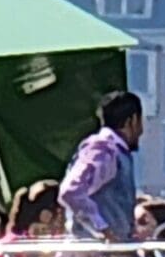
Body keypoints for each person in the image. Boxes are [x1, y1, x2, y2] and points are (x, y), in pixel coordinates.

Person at [60, 91, 143, 242]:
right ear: (132, 120)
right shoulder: (105, 149)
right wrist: (103, 230)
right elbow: (71, 191)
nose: (141, 131)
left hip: (108, 255)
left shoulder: (114, 151)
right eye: (141, 122)